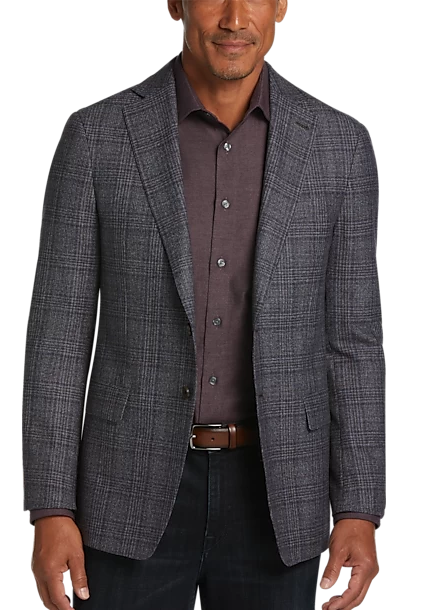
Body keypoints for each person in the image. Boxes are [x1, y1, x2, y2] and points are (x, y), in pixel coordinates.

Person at [22, 1, 385, 608]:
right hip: (125, 488)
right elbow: (58, 338)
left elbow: (353, 342)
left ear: (282, 6)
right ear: (176, 3)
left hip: (279, 494)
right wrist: (51, 506)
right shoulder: (97, 138)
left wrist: (358, 506)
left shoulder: (339, 147)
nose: (234, 18)